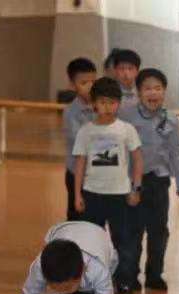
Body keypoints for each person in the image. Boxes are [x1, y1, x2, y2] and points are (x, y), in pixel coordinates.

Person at [73, 77, 144, 294]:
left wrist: (136, 188)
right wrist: (77, 194)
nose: (107, 107)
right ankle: (92, 280)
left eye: (112, 102)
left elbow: (138, 160)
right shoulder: (86, 131)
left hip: (119, 194)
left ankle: (124, 281)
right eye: (102, 102)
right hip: (92, 193)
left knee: (123, 242)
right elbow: (80, 163)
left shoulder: (126, 129)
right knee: (91, 242)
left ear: (118, 104)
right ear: (94, 103)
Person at [120, 68, 179, 292]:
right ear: (139, 92)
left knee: (158, 231)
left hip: (159, 181)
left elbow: (177, 152)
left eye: (157, 88)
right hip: (133, 182)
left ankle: (154, 275)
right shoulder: (126, 116)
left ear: (164, 92)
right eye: (147, 88)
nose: (153, 93)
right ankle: (129, 276)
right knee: (132, 231)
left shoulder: (170, 119)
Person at [62, 57, 97, 221]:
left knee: (95, 217)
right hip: (77, 174)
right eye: (84, 83)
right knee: (76, 217)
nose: (90, 86)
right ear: (72, 85)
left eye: (93, 81)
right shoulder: (71, 112)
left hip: (98, 174)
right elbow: (81, 141)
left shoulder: (103, 107)